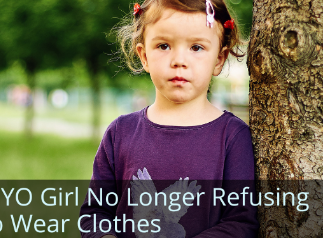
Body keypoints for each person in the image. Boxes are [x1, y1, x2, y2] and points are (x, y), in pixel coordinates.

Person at [79, 0, 258, 237]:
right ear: (144, 56)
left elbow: (241, 222)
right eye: (164, 46)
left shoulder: (233, 136)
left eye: (196, 47)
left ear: (219, 59)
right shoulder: (120, 133)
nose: (178, 60)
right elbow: (94, 213)